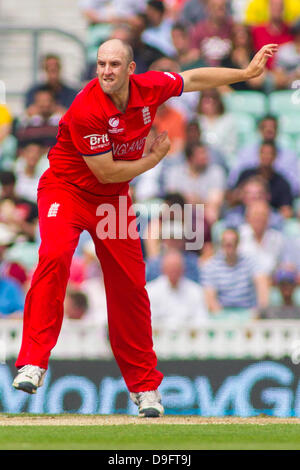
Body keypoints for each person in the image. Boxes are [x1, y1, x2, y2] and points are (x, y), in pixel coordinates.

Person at [11, 38, 277, 417]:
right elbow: (105, 170)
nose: (105, 71)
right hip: (66, 191)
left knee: (131, 288)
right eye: (101, 63)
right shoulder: (87, 107)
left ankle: (145, 389)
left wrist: (245, 73)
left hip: (113, 199)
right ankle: (33, 362)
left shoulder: (148, 87)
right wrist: (153, 159)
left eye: (114, 64)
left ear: (131, 69)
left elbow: (193, 77)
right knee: (54, 256)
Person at [202, 227, 270, 313]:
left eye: (232, 243)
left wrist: (259, 311)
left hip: (248, 313)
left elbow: (262, 283)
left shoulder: (250, 261)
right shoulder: (211, 266)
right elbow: (210, 298)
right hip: (221, 315)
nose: (229, 247)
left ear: (238, 244)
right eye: (226, 244)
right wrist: (222, 317)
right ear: (221, 244)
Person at [234, 140, 294, 217]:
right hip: (243, 215)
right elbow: (234, 199)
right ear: (258, 154)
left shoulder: (282, 183)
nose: (266, 156)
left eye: (270, 154)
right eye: (263, 153)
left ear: (275, 156)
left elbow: (286, 210)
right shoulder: (245, 175)